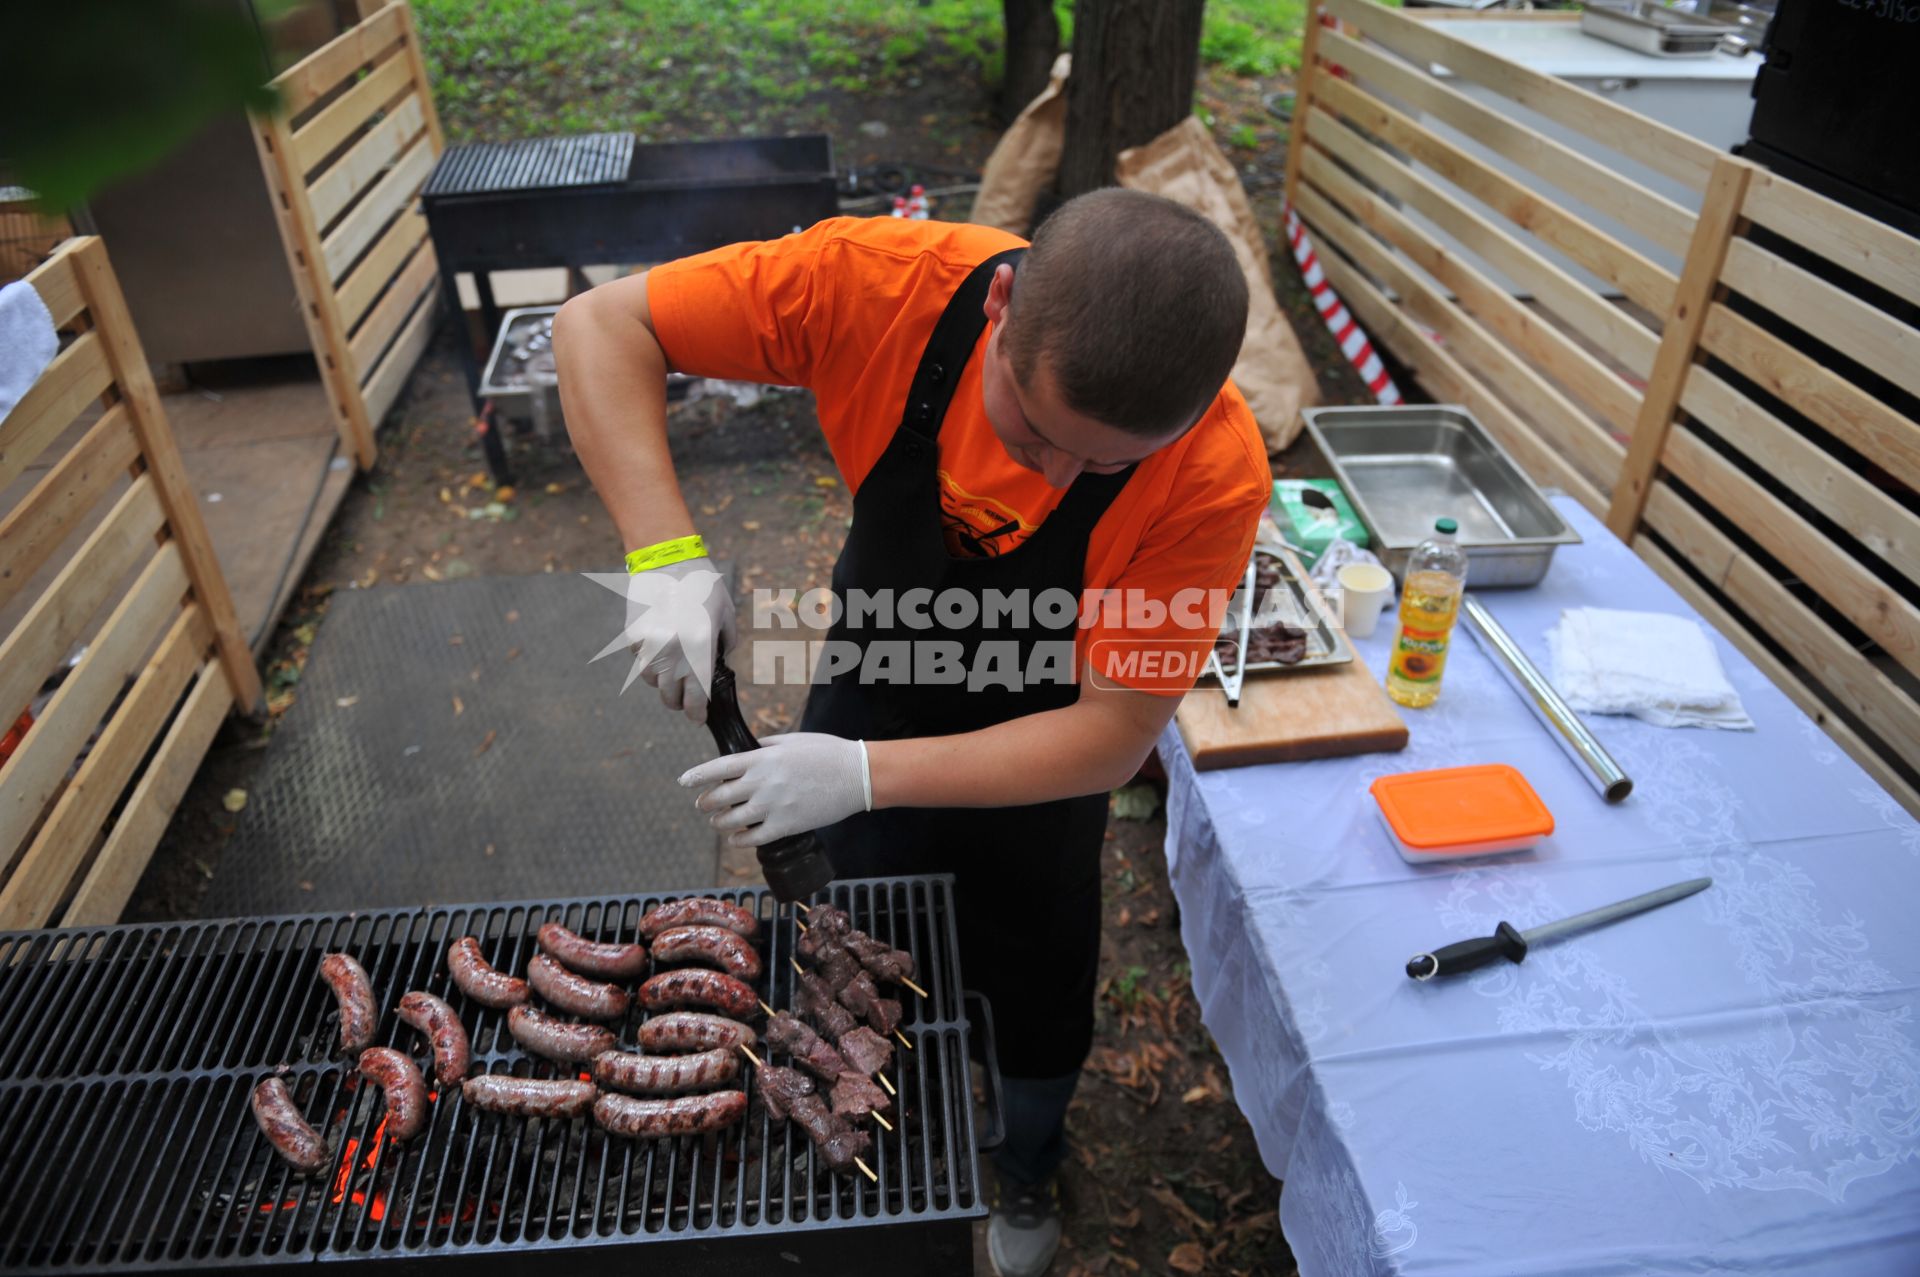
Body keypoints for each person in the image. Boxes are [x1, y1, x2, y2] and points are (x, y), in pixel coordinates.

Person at [555, 189, 1266, 1277]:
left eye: (1106, 465)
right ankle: (870, 1112)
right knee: (845, 925)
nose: (1054, 478)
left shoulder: (1212, 471)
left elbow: (1115, 734)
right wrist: (661, 562)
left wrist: (867, 775)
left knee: (1039, 959)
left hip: (1051, 726)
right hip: (882, 662)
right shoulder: (877, 285)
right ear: (1000, 304)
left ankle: (1028, 1154)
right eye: (1034, 431)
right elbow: (603, 324)